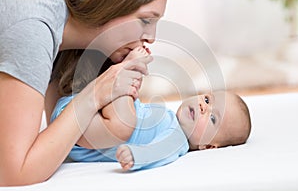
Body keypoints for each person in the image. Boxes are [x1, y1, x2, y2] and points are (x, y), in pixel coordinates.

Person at [0, 0, 170, 186]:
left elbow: (62, 140)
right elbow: (14, 173)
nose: (151, 38)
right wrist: (97, 92)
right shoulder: (34, 27)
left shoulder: (63, 40)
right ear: (111, 1)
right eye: (146, 21)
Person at [50, 47, 252, 171]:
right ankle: (123, 73)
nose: (203, 106)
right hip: (82, 113)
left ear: (208, 146)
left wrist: (136, 156)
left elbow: (158, 152)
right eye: (207, 100)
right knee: (128, 109)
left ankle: (127, 69)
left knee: (125, 121)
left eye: (213, 118)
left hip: (81, 131)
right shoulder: (168, 119)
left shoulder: (176, 140)